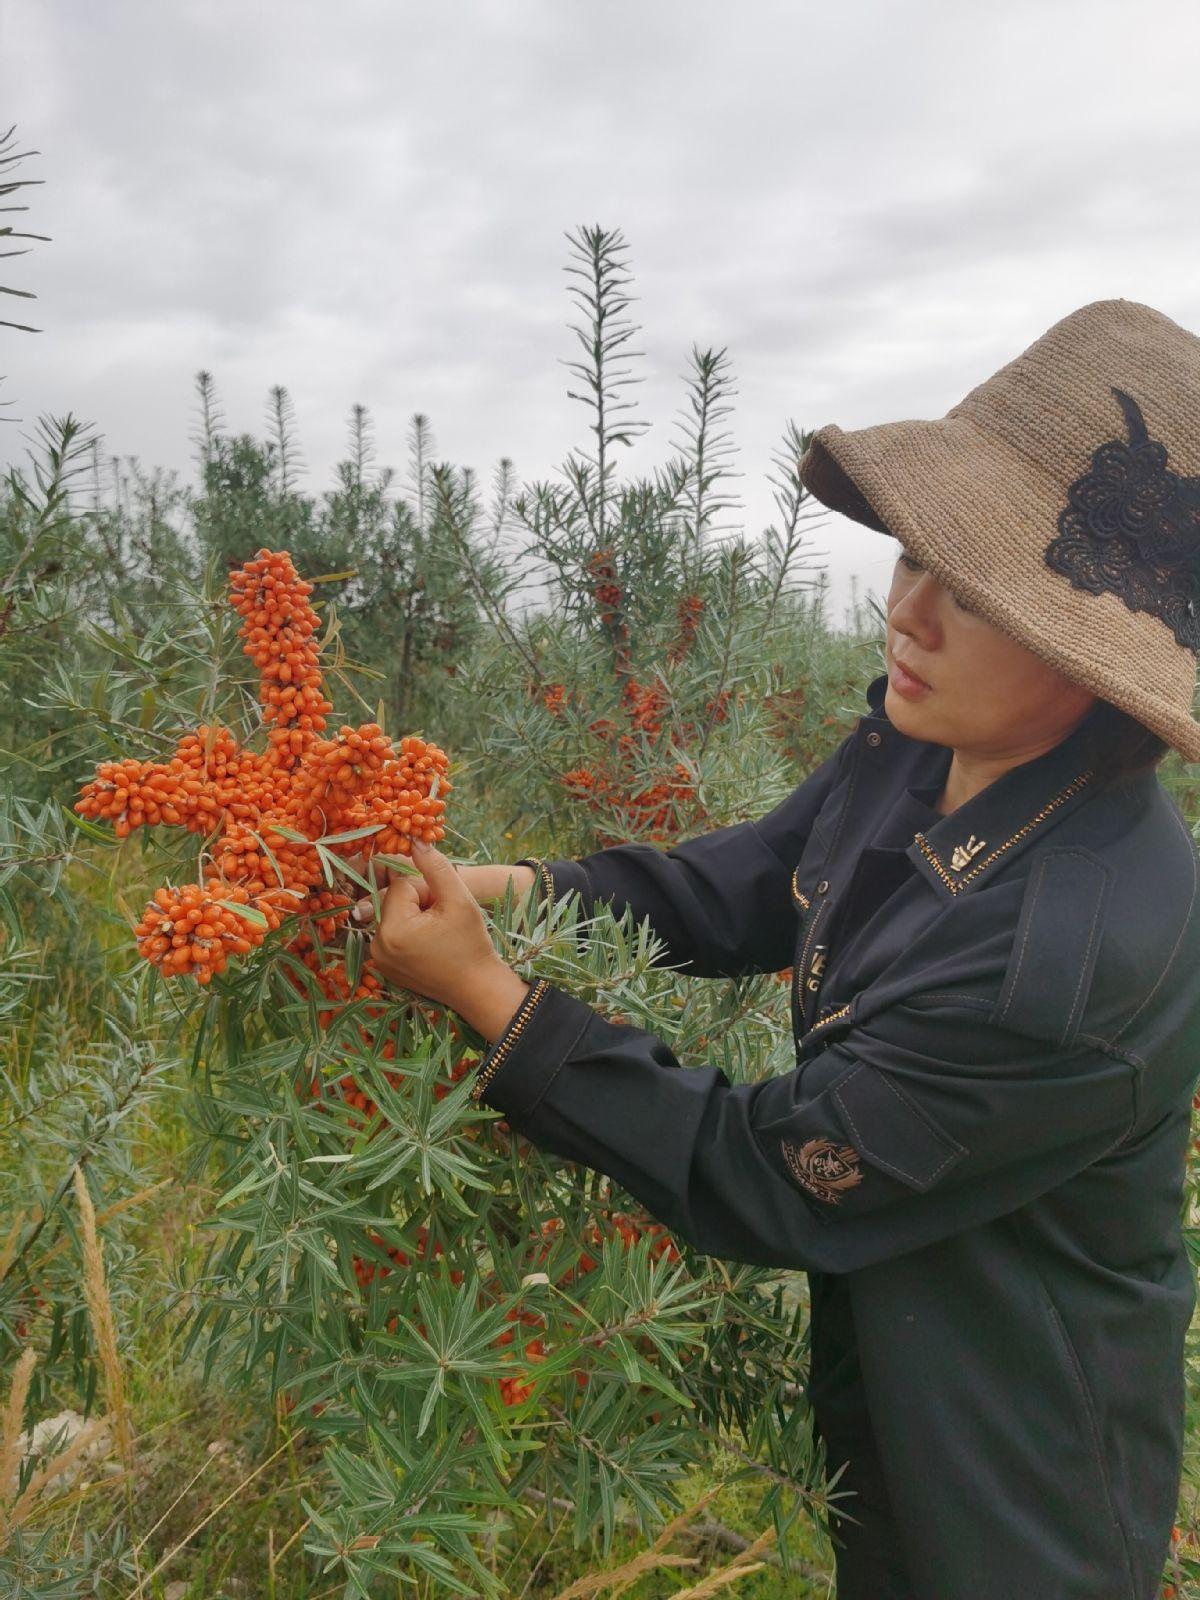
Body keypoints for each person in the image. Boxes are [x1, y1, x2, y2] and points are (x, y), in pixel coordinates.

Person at [350, 298, 1200, 1599]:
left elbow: (770, 1174)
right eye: (916, 555)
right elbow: (754, 880)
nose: (905, 614)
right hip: (901, 1375)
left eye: (967, 592)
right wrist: (517, 890)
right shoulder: (929, 743)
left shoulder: (1067, 959)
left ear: (1097, 651)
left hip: (1016, 1482)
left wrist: (491, 1000)